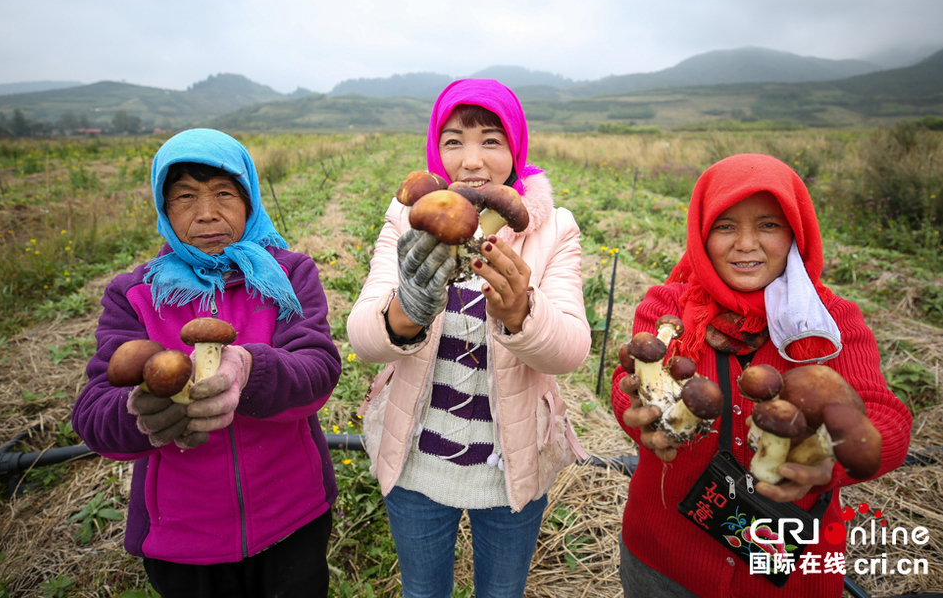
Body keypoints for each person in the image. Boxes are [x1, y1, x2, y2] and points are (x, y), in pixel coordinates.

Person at [610, 153, 913, 598]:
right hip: (664, 554)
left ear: (796, 232)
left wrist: (827, 464)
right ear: (700, 232)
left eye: (769, 225)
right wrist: (636, 409)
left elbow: (887, 419)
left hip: (791, 576)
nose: (746, 244)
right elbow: (631, 389)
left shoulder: (830, 324)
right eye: (725, 225)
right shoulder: (667, 306)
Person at [71, 128, 342, 598]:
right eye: (185, 197)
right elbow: (95, 411)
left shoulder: (288, 274)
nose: (207, 213)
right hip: (183, 538)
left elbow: (318, 368)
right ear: (163, 207)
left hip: (291, 515)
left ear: (250, 198)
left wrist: (250, 370)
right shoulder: (133, 295)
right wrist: (140, 411)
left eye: (223, 193)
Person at [347, 78, 591, 598]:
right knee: (422, 591)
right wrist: (408, 308)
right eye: (454, 140)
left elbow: (572, 347)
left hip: (511, 465)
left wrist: (523, 311)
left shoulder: (554, 229)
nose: (472, 161)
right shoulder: (407, 219)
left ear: (516, 148)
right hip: (416, 458)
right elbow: (363, 339)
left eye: (491, 141)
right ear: (436, 148)